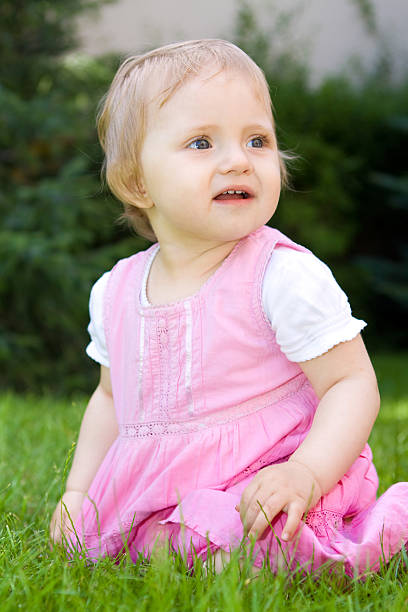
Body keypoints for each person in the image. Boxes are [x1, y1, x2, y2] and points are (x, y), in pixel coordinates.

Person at [50, 39, 408, 575]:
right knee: (150, 549)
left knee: (261, 545)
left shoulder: (280, 275)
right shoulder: (116, 290)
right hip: (165, 486)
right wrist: (80, 494)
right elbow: (108, 399)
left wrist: (305, 473)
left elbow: (351, 384)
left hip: (270, 476)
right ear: (137, 182)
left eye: (257, 140)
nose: (238, 160)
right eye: (201, 143)